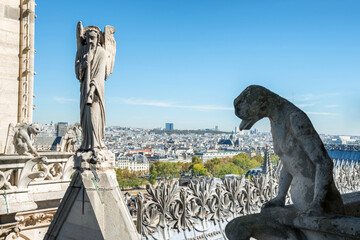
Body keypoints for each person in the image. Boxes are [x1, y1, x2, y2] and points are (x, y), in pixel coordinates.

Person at [75, 27, 107, 153]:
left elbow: (99, 74)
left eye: (93, 38)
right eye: (88, 38)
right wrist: (84, 63)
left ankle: (95, 144)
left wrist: (92, 90)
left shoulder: (102, 52)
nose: (90, 41)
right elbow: (77, 71)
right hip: (84, 89)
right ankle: (86, 143)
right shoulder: (81, 51)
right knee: (85, 118)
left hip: (96, 92)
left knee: (94, 117)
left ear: (98, 39)